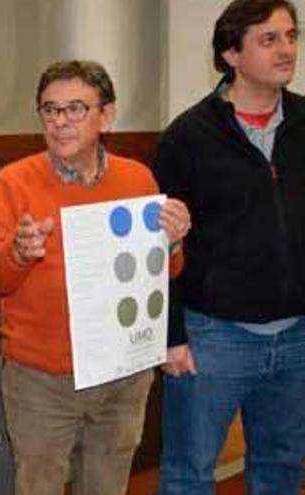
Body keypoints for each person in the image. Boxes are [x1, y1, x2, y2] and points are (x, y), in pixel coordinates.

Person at [0, 60, 190, 495]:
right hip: (42, 380)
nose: (60, 121)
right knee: (38, 487)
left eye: (75, 108)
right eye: (50, 110)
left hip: (122, 376)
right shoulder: (13, 183)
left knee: (107, 487)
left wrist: (173, 243)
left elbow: (163, 274)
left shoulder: (138, 178)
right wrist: (18, 253)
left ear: (106, 116)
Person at [152, 1, 305, 493]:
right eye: (269, 39)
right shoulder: (188, 137)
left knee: (281, 469)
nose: (286, 49)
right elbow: (160, 247)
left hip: (298, 336)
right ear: (230, 53)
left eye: (291, 36)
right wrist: (170, 335)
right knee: (188, 474)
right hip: (213, 336)